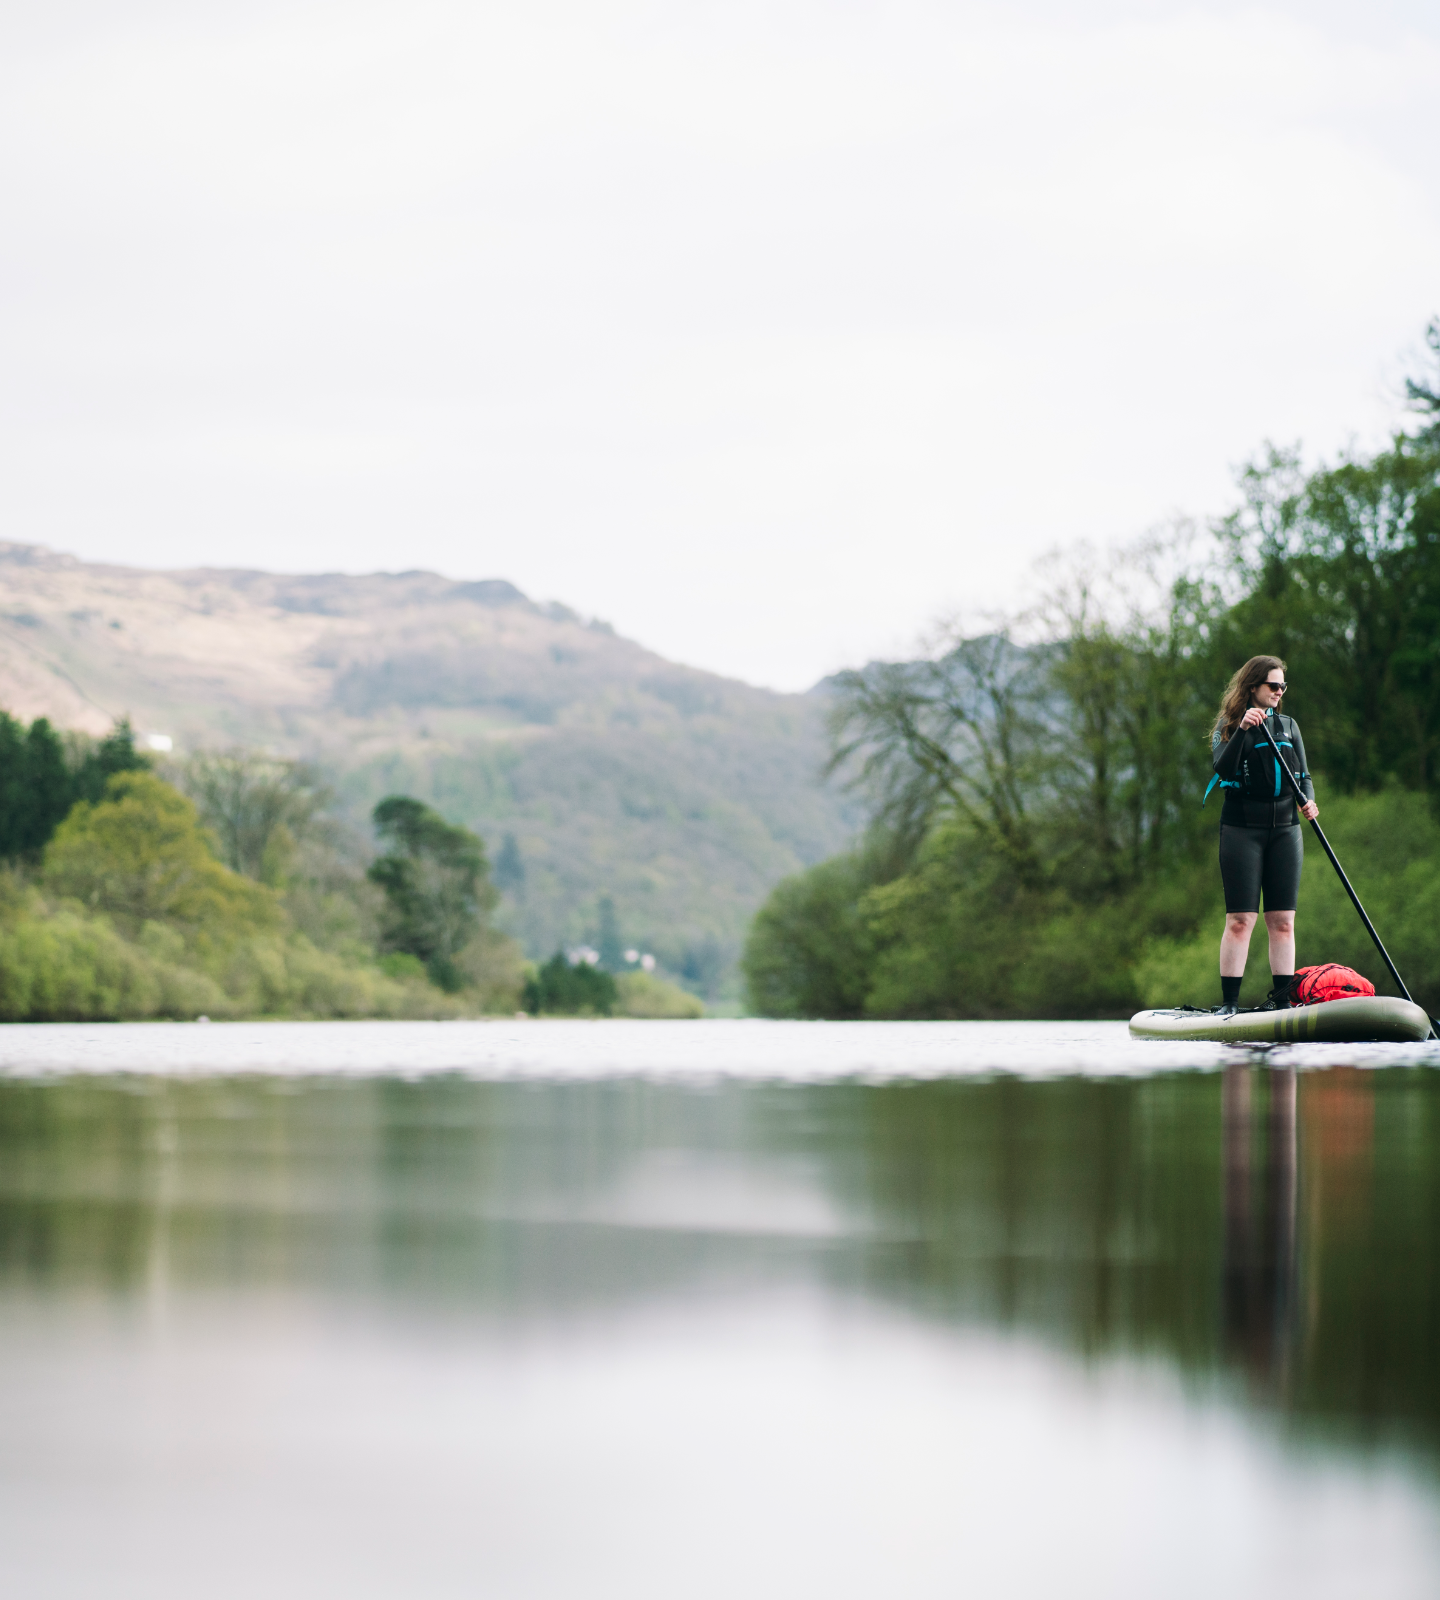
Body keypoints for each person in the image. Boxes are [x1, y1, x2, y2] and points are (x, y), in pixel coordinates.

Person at [1205, 656, 1318, 1014]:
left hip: (1286, 831)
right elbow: (1222, 767)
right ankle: (1230, 1005)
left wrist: (1310, 802)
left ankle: (1282, 1003)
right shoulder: (1227, 725)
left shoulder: (1289, 725)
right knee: (1241, 921)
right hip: (1241, 831)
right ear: (1253, 686)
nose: (1279, 692)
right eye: (1273, 685)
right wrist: (1242, 730)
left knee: (1282, 922)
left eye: (1283, 686)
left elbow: (1305, 776)